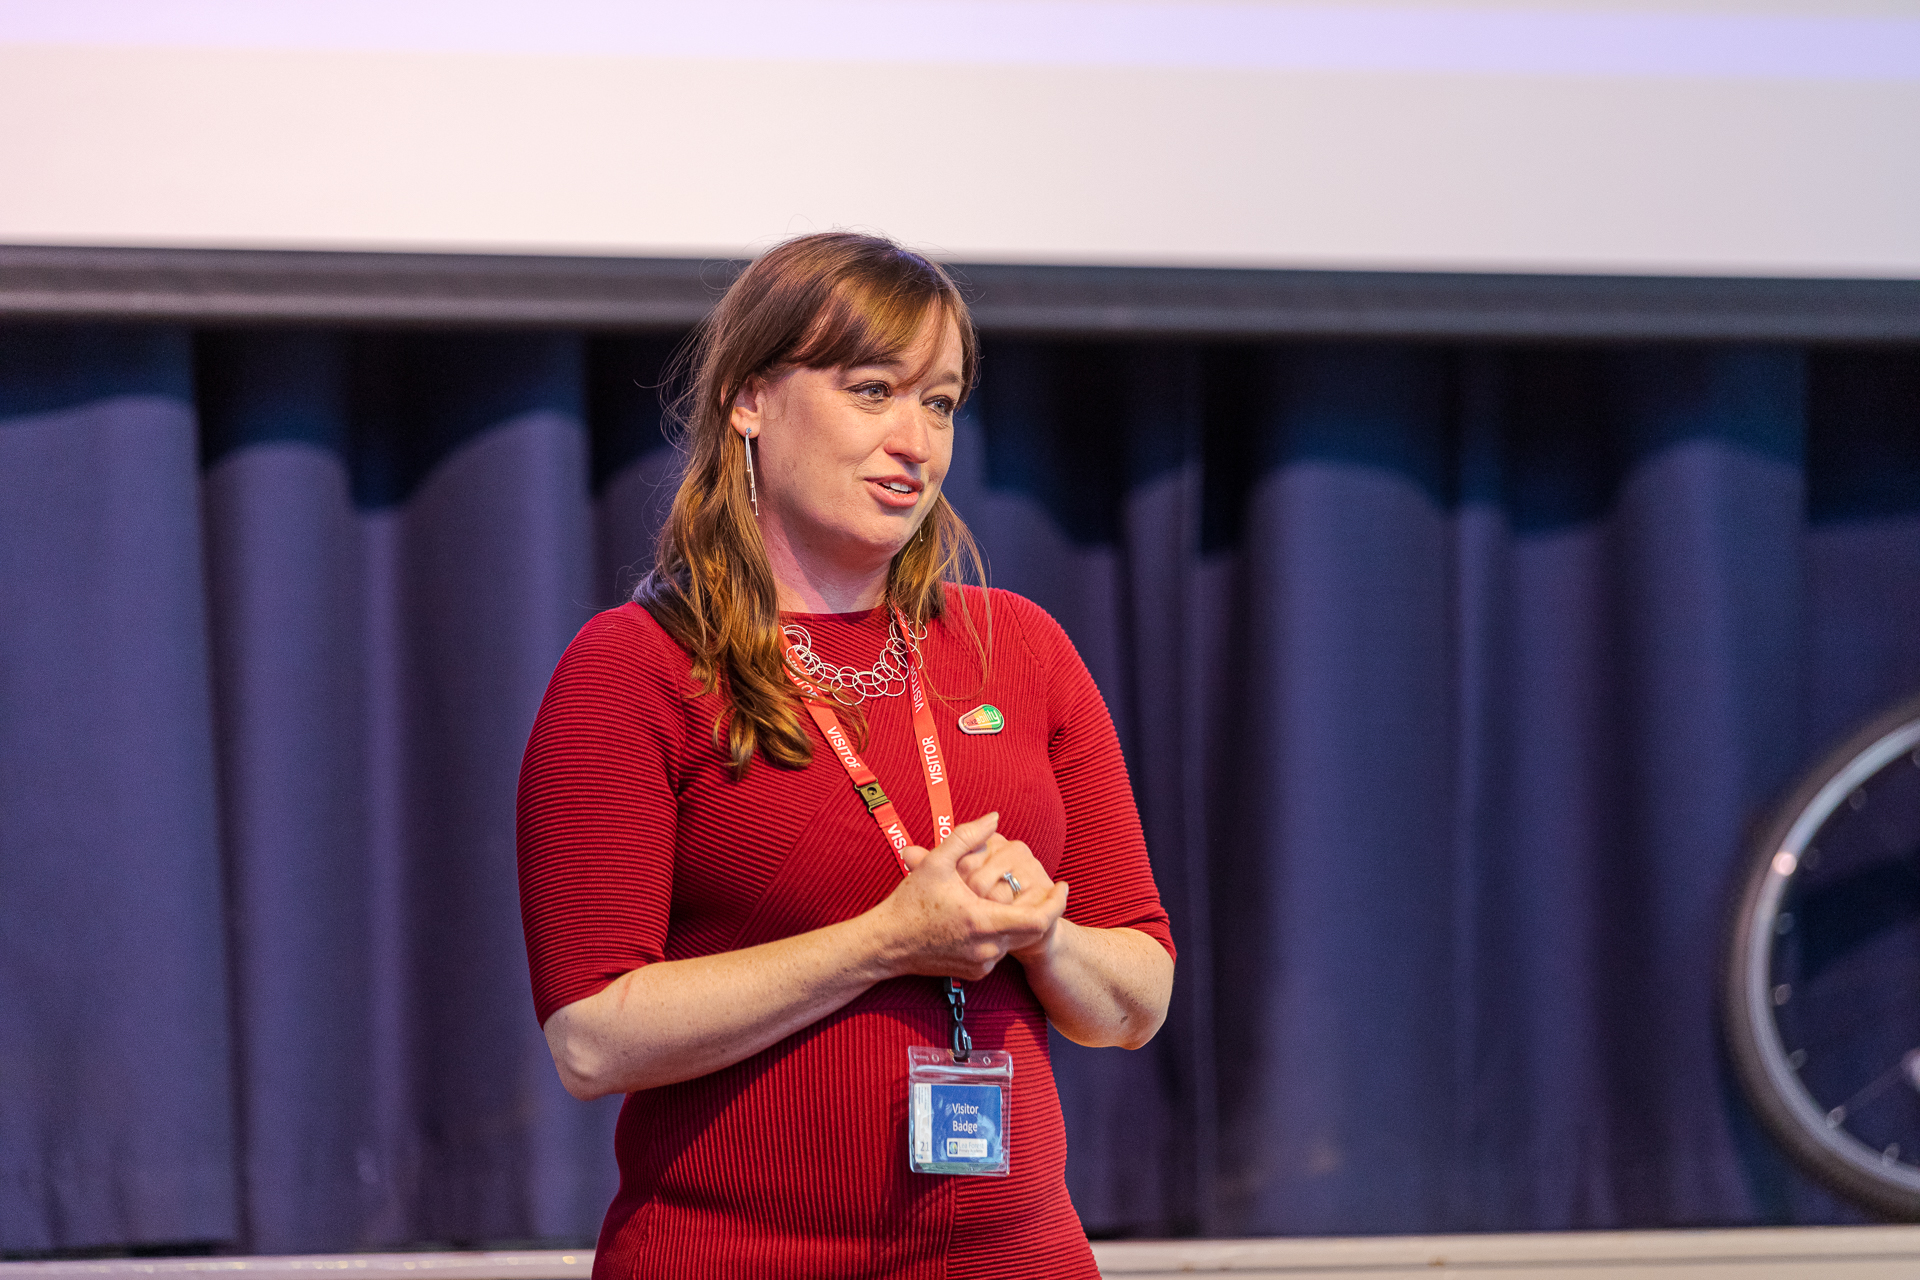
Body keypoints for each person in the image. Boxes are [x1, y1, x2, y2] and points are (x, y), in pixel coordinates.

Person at [516, 231, 1175, 1278]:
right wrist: (885, 940)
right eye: (874, 390)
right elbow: (593, 1036)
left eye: (942, 402)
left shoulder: (1022, 647)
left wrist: (1044, 936)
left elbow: (1139, 994)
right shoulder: (636, 665)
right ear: (749, 397)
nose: (916, 440)